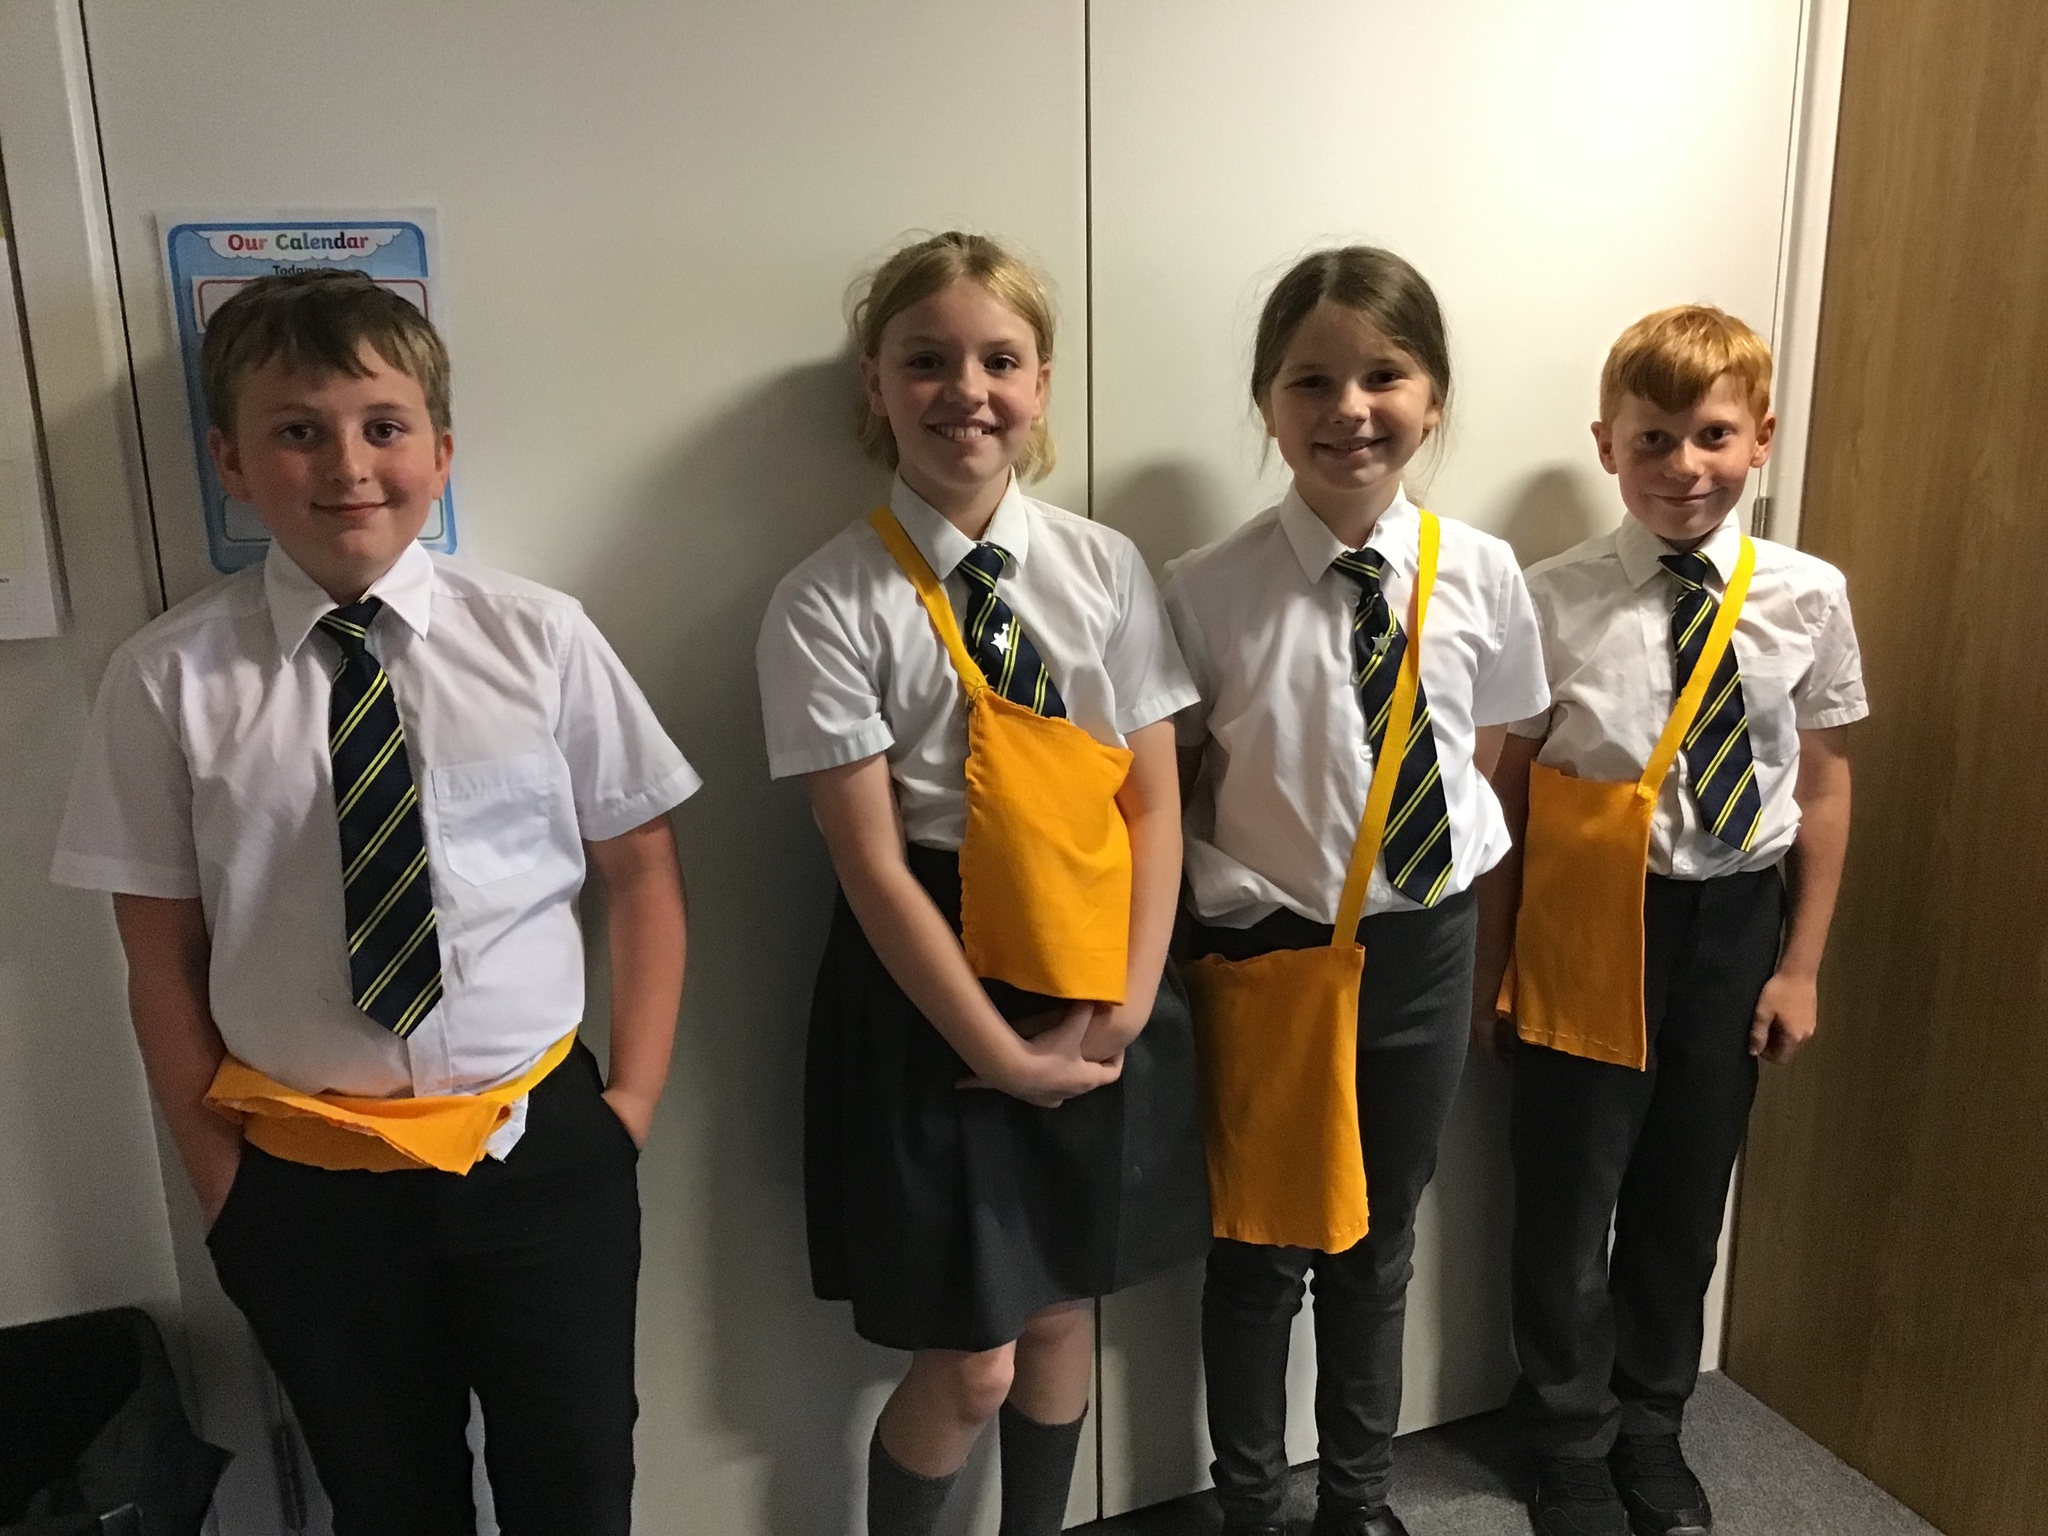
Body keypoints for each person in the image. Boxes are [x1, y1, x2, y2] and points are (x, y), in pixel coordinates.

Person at [51, 269, 697, 1536]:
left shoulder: (540, 639)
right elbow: (159, 955)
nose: (347, 465)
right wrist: (224, 1186)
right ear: (232, 463)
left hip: (536, 1149)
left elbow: (643, 873)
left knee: (578, 1486)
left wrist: (627, 1107)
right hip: (305, 1182)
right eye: (298, 430)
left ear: (440, 453)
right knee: (388, 1500)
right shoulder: (167, 681)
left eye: (382, 426)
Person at [755, 230, 1209, 1536]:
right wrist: (997, 1056)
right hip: (931, 993)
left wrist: (1124, 1007)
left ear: (1041, 384)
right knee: (971, 1361)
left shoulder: (1104, 566)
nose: (966, 390)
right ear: (876, 384)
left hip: (1092, 961)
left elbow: (1152, 802)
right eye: (927, 361)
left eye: (999, 361)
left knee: (1062, 1315)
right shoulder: (826, 601)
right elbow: (870, 863)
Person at [1164, 246, 1549, 1536]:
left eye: (1383, 375)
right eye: (1310, 380)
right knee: (1260, 1244)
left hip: (1424, 944)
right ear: (1266, 405)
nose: (1349, 408)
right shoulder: (1204, 589)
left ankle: (1357, 1500)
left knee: (1379, 1242)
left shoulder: (1480, 571)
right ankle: (1245, 1502)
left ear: (1431, 398)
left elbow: (1482, 749)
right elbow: (1175, 780)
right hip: (1270, 953)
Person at [1475, 305, 1864, 1536]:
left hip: (1735, 921)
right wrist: (1494, 967)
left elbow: (1821, 789)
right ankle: (1566, 1435)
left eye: (1711, 436)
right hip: (1586, 919)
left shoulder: (1805, 596)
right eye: (1651, 439)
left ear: (1759, 439)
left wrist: (1799, 966)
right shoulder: (1550, 599)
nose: (1682, 466)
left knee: (1684, 1192)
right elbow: (1503, 799)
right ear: (1605, 445)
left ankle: (1651, 1422)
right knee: (1566, 1193)